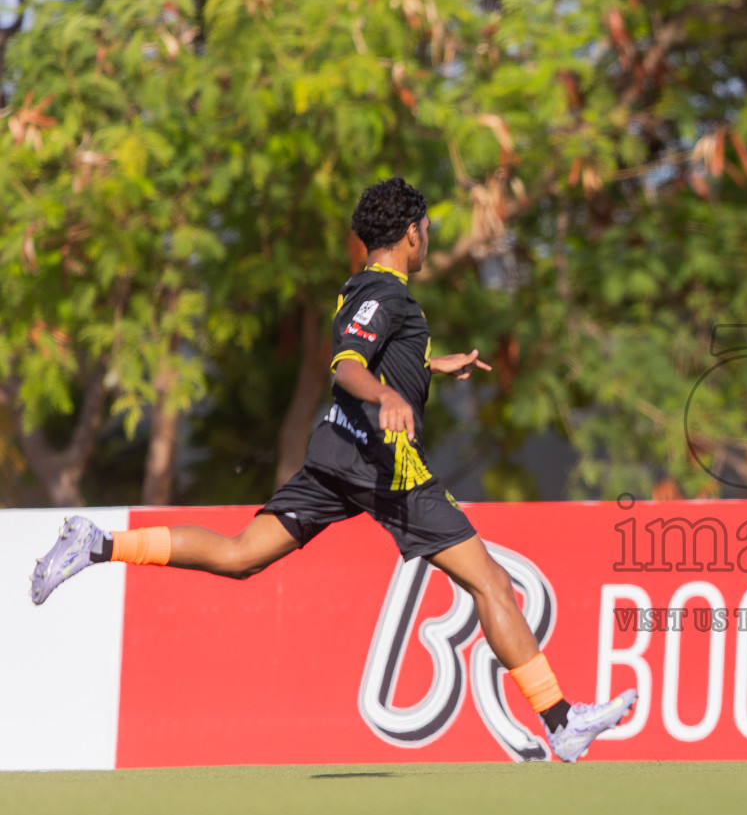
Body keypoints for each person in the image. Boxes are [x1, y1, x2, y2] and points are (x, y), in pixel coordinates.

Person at [29, 177, 634, 762]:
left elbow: (374, 349)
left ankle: (100, 544)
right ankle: (562, 722)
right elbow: (347, 365)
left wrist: (428, 366)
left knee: (241, 555)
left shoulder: (363, 288)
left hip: (337, 454)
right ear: (410, 234)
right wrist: (388, 396)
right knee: (491, 583)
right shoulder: (388, 295)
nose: (427, 237)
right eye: (426, 228)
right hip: (386, 468)